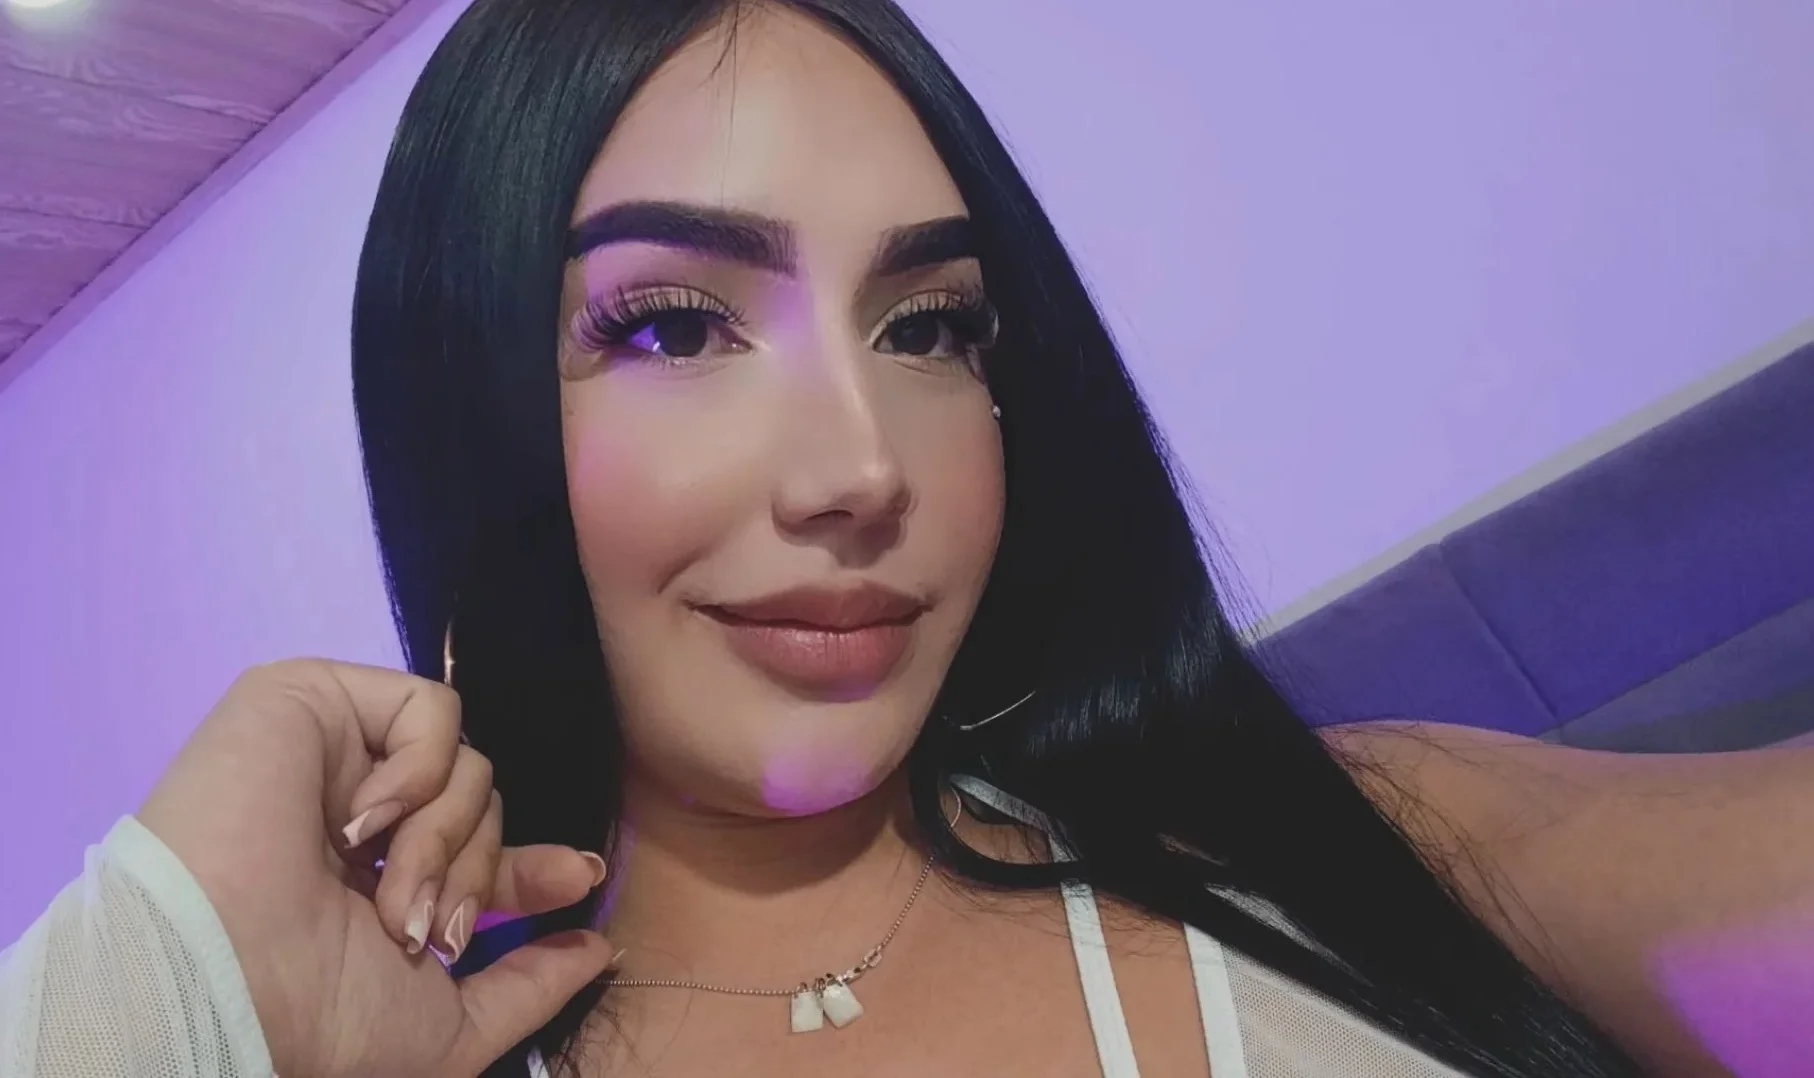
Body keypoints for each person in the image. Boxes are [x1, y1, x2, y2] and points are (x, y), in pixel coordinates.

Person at [3, 0, 1810, 1074]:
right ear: (466, 416)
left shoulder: (1343, 844)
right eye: (673, 326)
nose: (862, 465)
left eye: (931, 327)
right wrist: (167, 997)